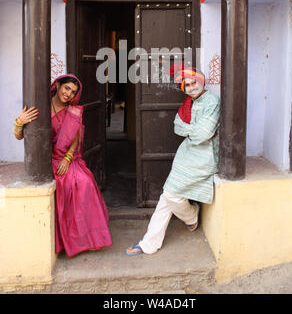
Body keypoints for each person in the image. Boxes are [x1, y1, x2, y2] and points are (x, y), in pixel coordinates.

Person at [14, 74, 113, 257]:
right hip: (46, 159)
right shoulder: (41, 107)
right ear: (58, 85)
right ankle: (61, 242)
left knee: (85, 183)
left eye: (73, 92)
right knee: (61, 186)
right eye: (66, 88)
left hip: (67, 158)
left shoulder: (73, 111)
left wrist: (67, 158)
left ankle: (87, 239)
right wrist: (19, 122)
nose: (68, 94)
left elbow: (75, 139)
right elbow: (20, 136)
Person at [126, 64, 220, 255]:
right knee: (168, 196)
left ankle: (191, 216)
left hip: (205, 156)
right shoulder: (189, 103)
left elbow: (204, 134)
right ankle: (151, 241)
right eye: (187, 85)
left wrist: (192, 131)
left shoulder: (212, 102)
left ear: (201, 82)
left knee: (169, 195)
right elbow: (177, 127)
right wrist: (194, 131)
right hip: (186, 153)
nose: (191, 87)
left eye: (194, 82)